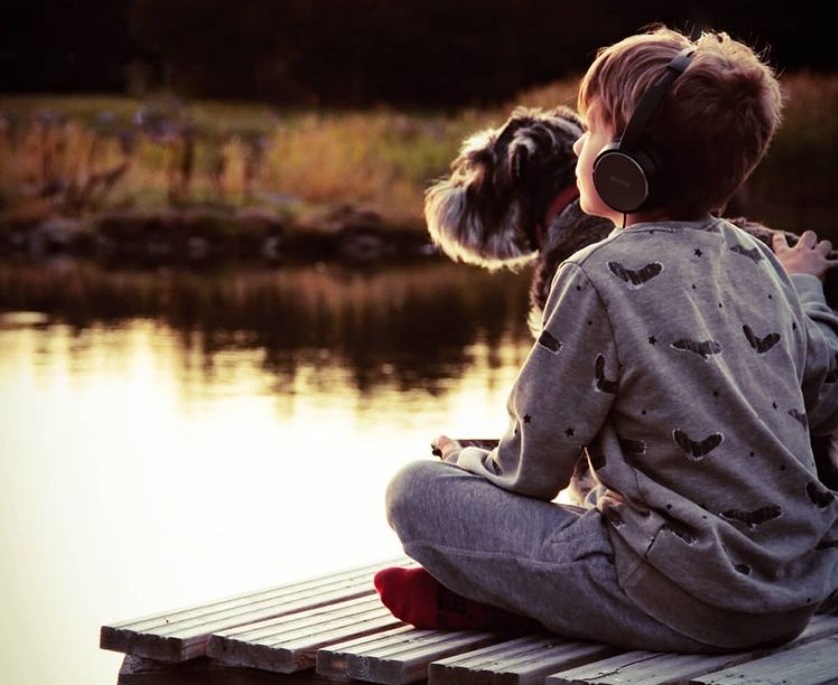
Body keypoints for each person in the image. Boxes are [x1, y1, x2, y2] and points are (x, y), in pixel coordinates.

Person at [373, 24, 838, 654]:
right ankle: (530, 598)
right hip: (793, 596)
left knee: (414, 492)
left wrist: (463, 462)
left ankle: (515, 600)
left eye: (589, 131)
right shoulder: (761, 262)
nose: (576, 148)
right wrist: (806, 294)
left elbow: (533, 469)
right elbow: (822, 389)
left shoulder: (595, 274)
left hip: (685, 598)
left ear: (627, 169)